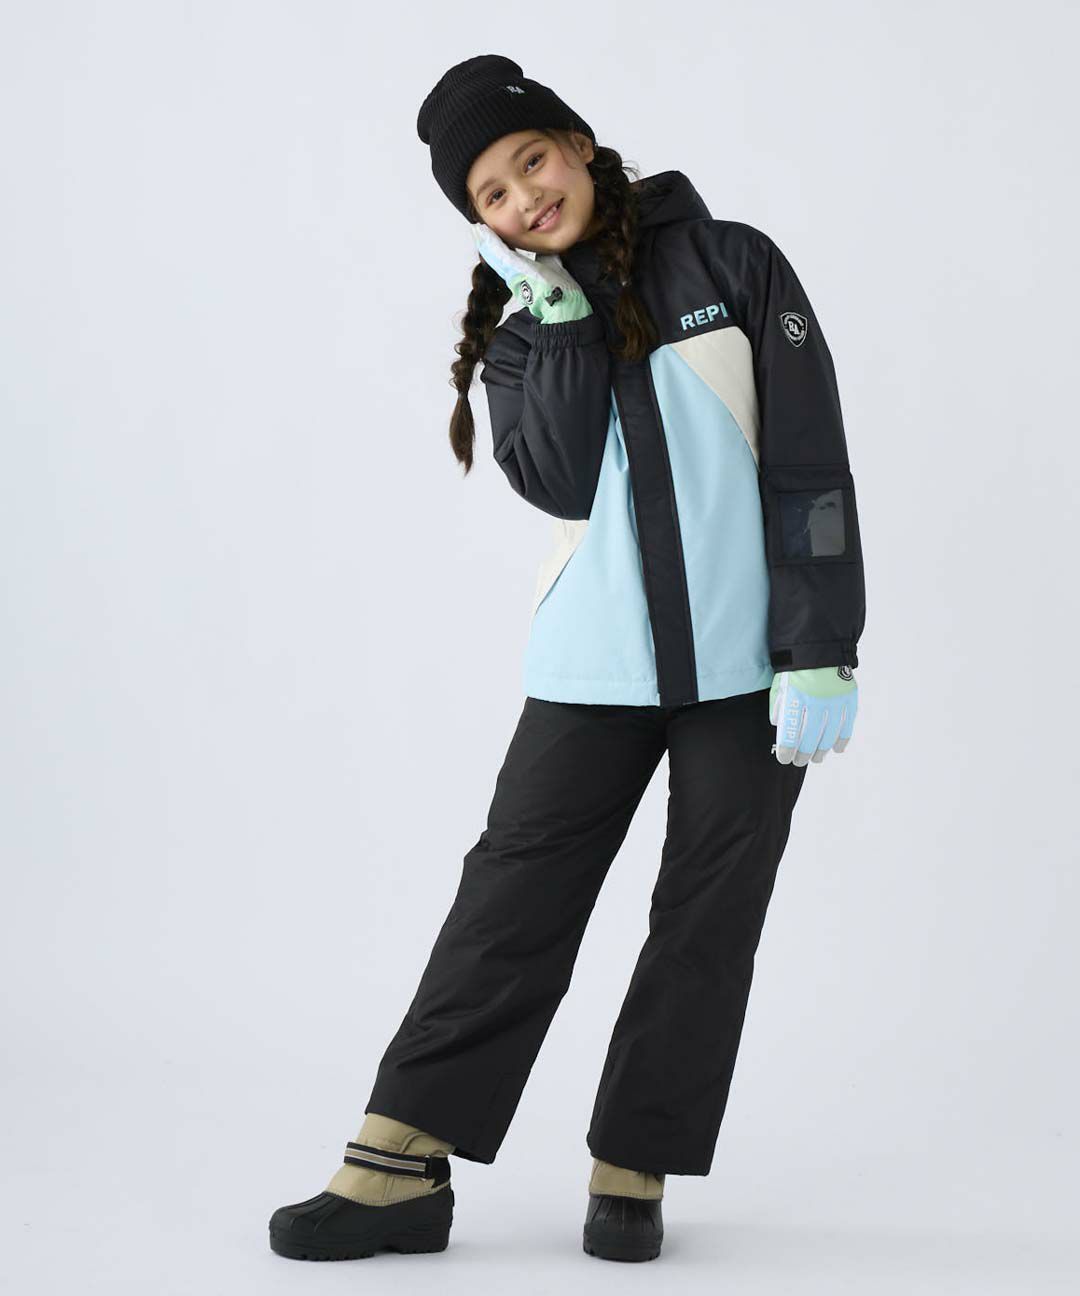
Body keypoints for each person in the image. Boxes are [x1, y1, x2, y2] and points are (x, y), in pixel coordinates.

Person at [269, 52, 866, 1266]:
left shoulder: (734, 265)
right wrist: (561, 325)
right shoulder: (520, 330)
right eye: (491, 193)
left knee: (708, 916)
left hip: (748, 670)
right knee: (509, 902)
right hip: (593, 666)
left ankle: (632, 1164)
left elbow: (810, 463)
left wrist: (822, 645)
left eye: (531, 160)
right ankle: (397, 1161)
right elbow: (555, 480)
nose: (524, 198)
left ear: (579, 144)